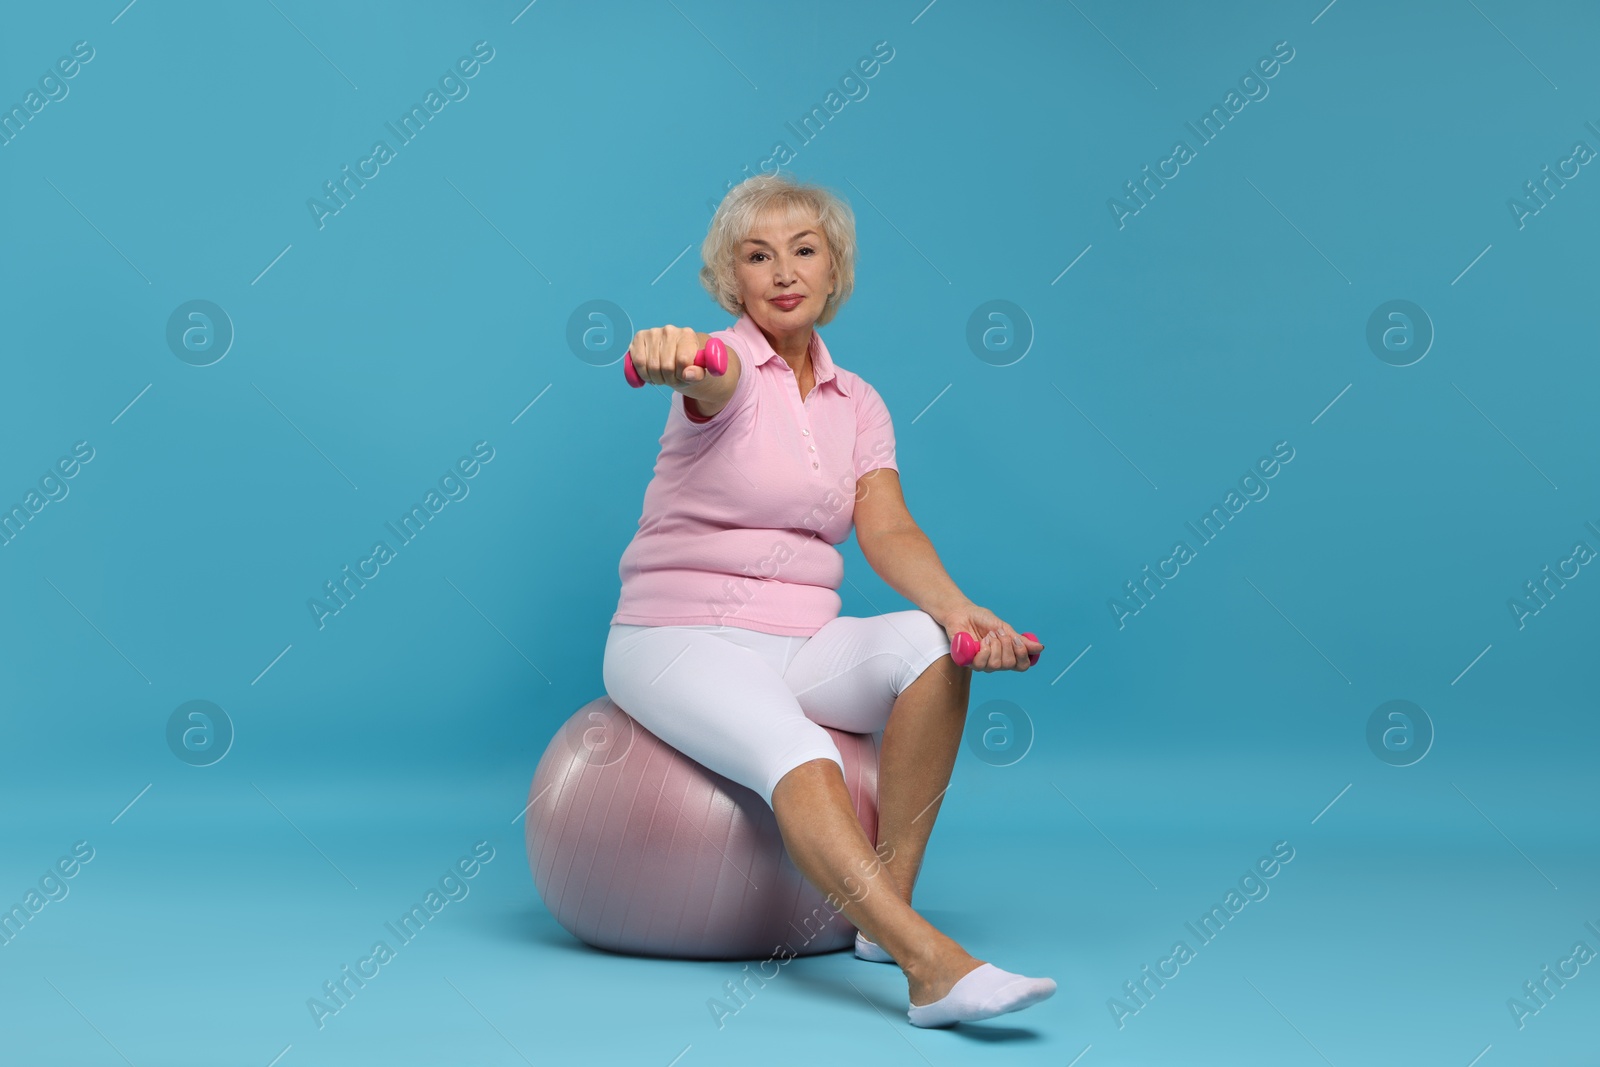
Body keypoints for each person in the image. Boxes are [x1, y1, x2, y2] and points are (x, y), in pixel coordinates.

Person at [602, 172, 1054, 1028]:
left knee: (928, 646)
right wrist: (671, 354)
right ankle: (929, 965)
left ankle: (886, 912)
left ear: (833, 268)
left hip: (797, 643)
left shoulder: (860, 402)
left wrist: (962, 612)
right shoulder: (724, 363)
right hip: (677, 636)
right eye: (758, 255)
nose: (783, 271)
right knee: (799, 749)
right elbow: (704, 373)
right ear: (731, 279)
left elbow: (887, 530)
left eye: (803, 250)